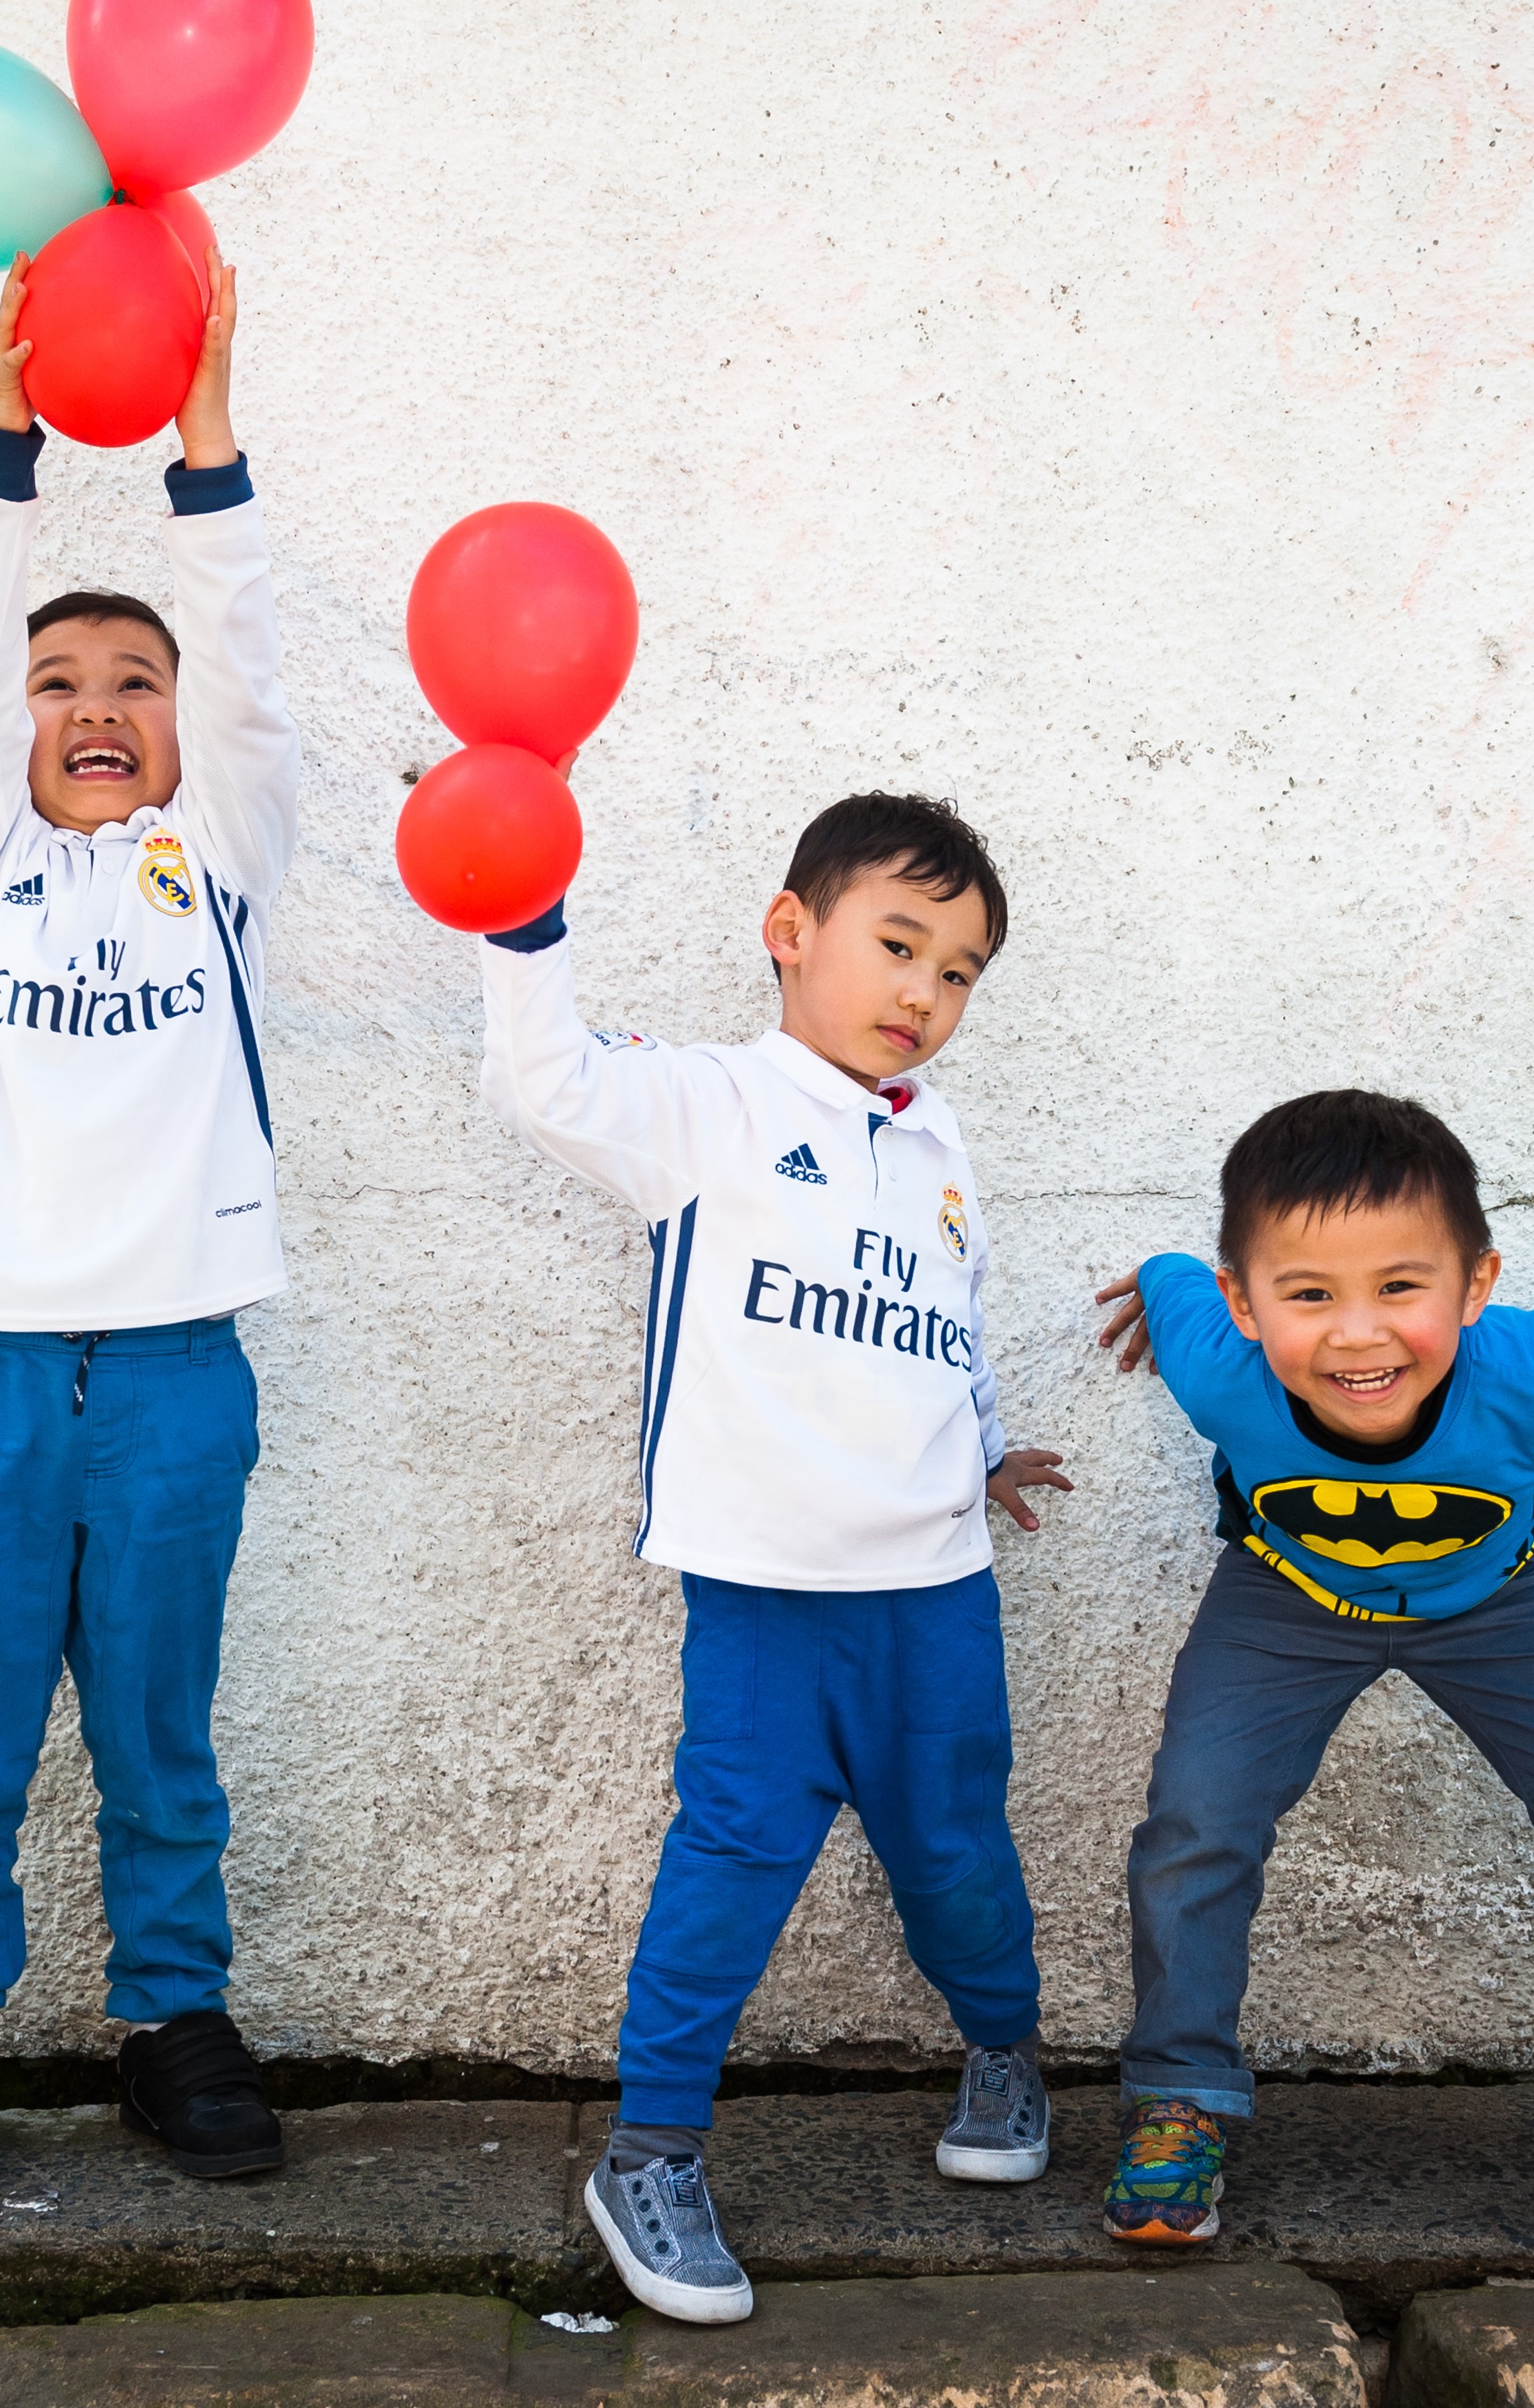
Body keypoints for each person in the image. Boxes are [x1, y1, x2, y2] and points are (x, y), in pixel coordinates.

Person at [479, 794, 1070, 2323]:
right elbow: (544, 1079)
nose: (921, 994)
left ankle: (1006, 2050)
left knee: (953, 1853)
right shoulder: (713, 1106)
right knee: (730, 1864)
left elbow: (952, 1322)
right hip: (760, 1594)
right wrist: (521, 910)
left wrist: (986, 1445)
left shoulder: (937, 1144)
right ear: (789, 931)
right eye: (896, 944)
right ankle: (653, 2152)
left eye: (957, 972)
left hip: (934, 1592)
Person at [0, 252, 299, 2208]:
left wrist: (206, 436)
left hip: (176, 1375)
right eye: (65, 687)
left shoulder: (218, 868)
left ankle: (170, 2017)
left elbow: (250, 653)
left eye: (136, 684)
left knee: (156, 1732)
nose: (99, 706)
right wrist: (3, 434)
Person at [1092, 1088, 1534, 2274]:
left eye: (1400, 1289)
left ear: (1475, 1288)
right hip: (1288, 1600)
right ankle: (1179, 2094)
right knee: (1195, 1822)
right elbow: (1176, 1273)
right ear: (1244, 1303)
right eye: (1307, 1294)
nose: (1357, 1336)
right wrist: (1161, 1273)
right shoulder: (1215, 1368)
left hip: (1505, 1606)